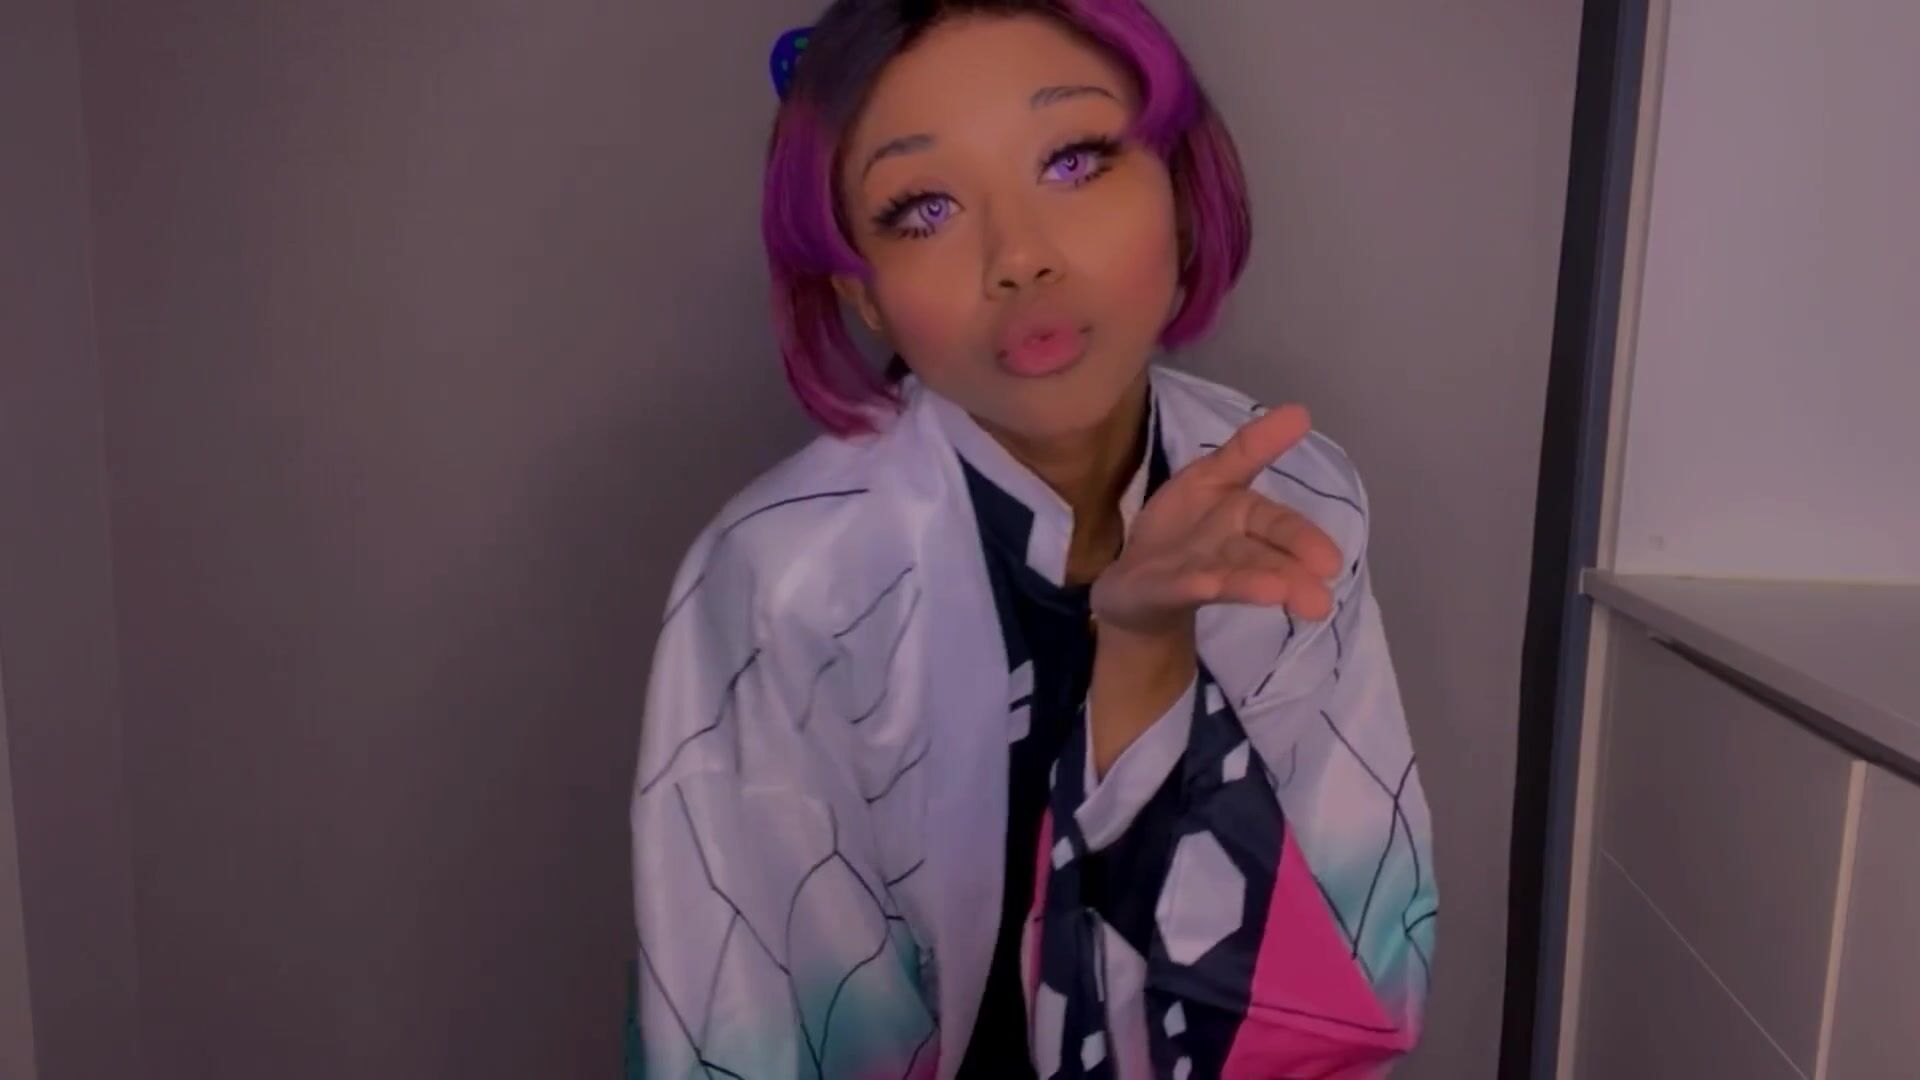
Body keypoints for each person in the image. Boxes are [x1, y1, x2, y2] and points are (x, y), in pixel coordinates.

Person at [629, 2, 1435, 1077]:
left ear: (1180, 191)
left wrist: (1147, 667)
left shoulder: (1293, 500)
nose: (1018, 257)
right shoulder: (786, 584)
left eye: (1074, 161)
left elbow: (1342, 986)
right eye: (923, 209)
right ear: (861, 292)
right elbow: (757, 1034)